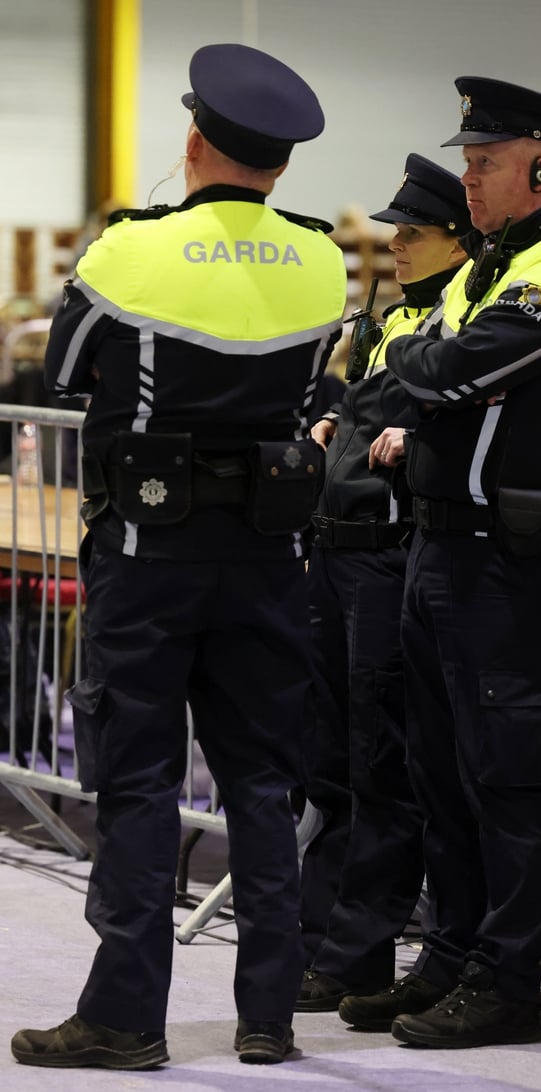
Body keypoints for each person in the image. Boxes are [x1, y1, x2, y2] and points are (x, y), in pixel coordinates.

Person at [11, 42, 346, 1069]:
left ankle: (123, 1017)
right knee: (261, 784)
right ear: (280, 167)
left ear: (194, 142)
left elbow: (62, 373)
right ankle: (268, 1019)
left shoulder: (128, 253)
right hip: (266, 554)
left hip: (146, 552)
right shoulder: (322, 257)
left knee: (140, 782)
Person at [337, 76, 541, 1048]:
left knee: (505, 777)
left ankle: (505, 980)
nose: (468, 180)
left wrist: (425, 372)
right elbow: (396, 370)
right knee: (440, 770)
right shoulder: (483, 271)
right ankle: (452, 957)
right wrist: (423, 372)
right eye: (465, 162)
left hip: (507, 559)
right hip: (436, 544)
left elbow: (441, 369)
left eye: (486, 163)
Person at [295, 156, 471, 1012]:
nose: (395, 244)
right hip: (334, 548)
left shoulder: (463, 319)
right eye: (395, 231)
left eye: (414, 233)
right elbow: (350, 399)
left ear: (457, 242)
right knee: (327, 759)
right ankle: (318, 937)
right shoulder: (391, 317)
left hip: (387, 554)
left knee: (378, 763)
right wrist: (337, 411)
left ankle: (358, 950)